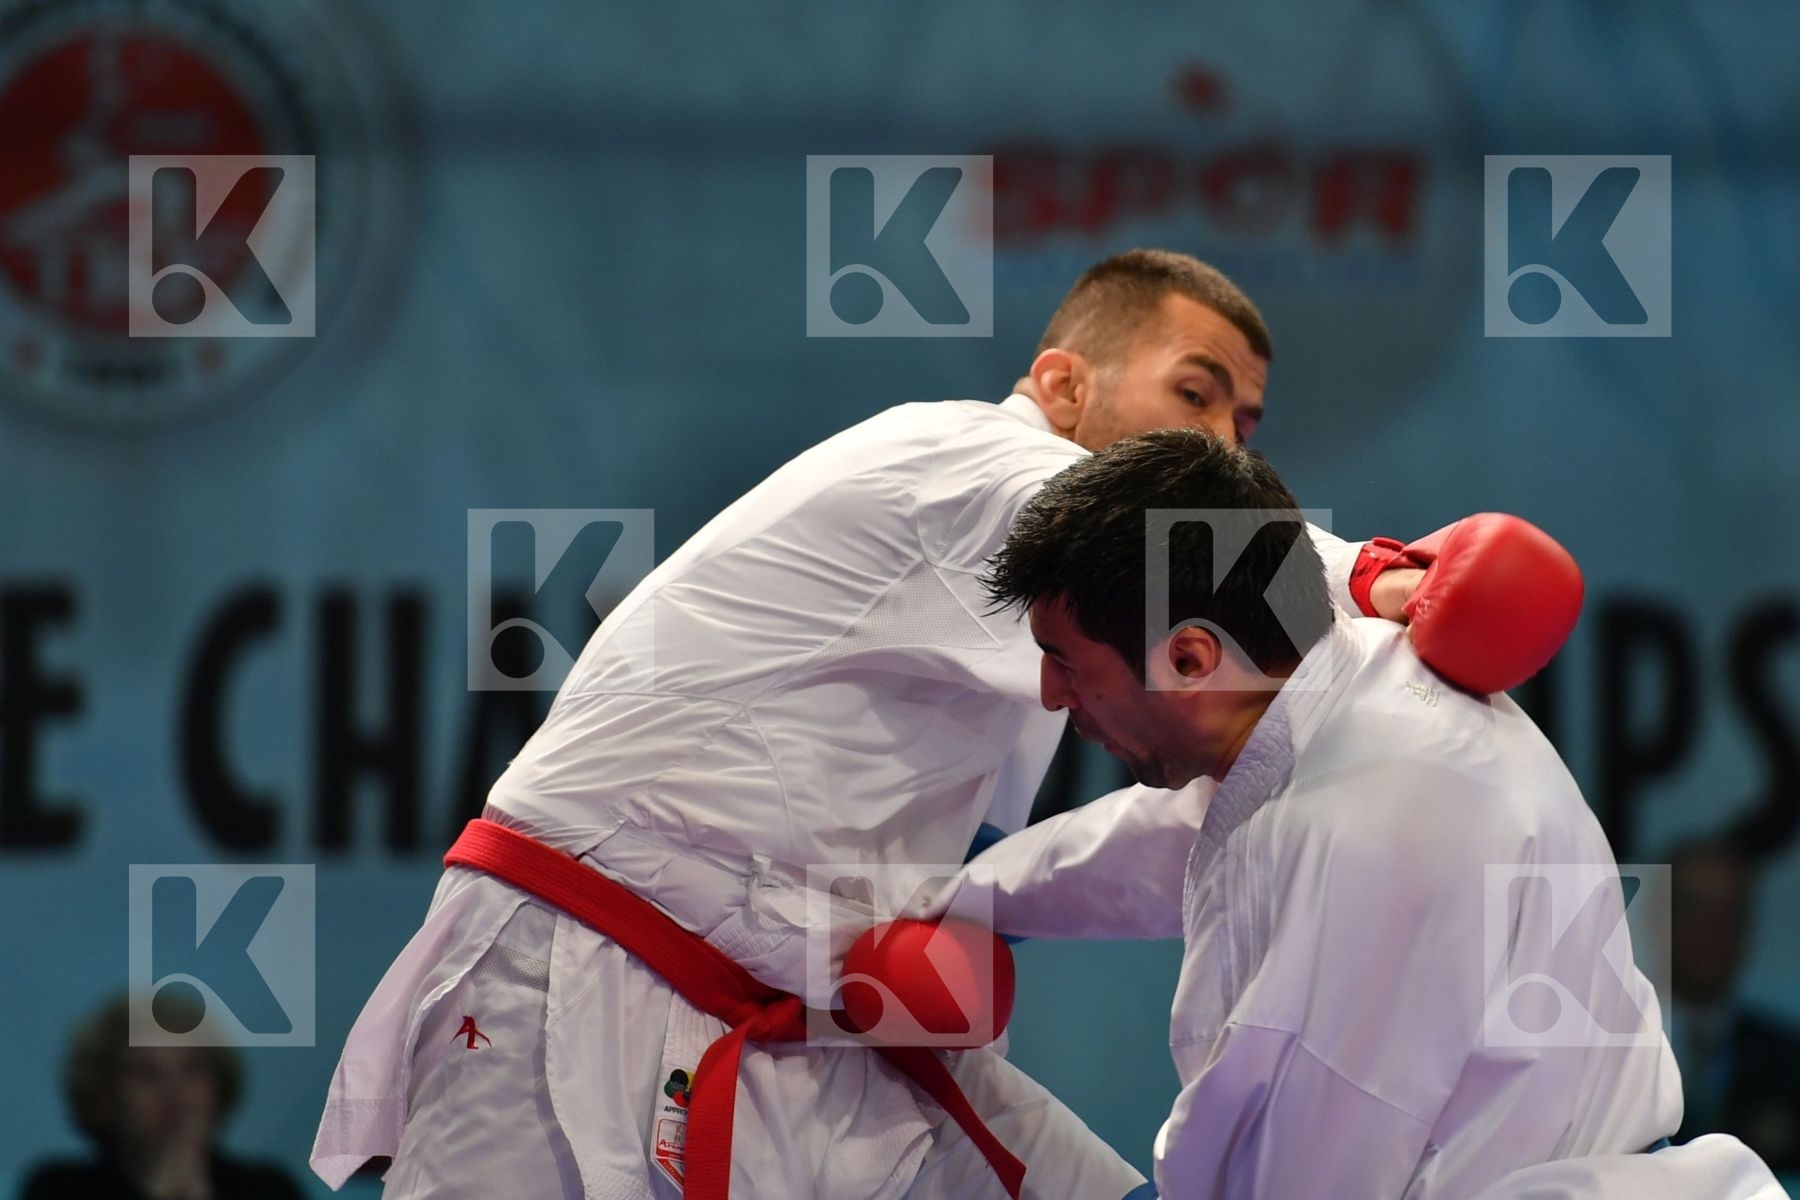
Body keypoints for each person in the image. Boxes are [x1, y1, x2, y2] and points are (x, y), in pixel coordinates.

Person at [312, 250, 1569, 1200]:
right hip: (575, 968)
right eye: (1194, 392)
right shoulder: (961, 462)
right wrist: (1389, 580)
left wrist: (959, 915)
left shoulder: (1246, 705)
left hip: (795, 1019)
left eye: (1243, 422)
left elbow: (1164, 831)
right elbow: (1197, 552)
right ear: (1063, 383)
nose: (1220, 440)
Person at [937, 427, 1786, 1199]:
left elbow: (1300, 1184)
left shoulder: (1361, 835)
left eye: (1064, 662)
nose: (1049, 696)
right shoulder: (1340, 683)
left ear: (1191, 658)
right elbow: (1170, 839)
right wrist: (965, 899)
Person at [19, 991, 306, 1200]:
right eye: (146, 1073)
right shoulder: (58, 1189)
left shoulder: (269, 1189)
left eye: (191, 1069)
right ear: (103, 1094)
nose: (174, 1092)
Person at [1665, 837, 1800, 1172]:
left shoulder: (1789, 1060)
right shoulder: (1610, 1051)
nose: (1712, 930)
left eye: (1729, 913)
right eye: (1693, 908)